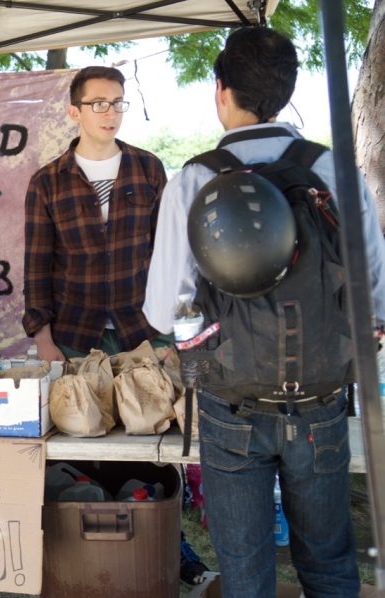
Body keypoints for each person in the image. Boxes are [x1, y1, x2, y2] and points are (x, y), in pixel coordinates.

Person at [144, 27, 385, 597]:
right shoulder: (336, 173)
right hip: (322, 401)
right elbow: (376, 294)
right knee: (328, 564)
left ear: (220, 90)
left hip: (232, 404)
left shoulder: (195, 180)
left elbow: (162, 309)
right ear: (288, 89)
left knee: (245, 570)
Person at [22, 65, 169, 361]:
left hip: (144, 333)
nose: (111, 113)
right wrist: (44, 342)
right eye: (99, 104)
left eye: (118, 103)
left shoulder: (148, 168)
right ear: (74, 112)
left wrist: (168, 334)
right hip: (74, 337)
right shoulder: (47, 181)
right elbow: (37, 268)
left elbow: (166, 253)